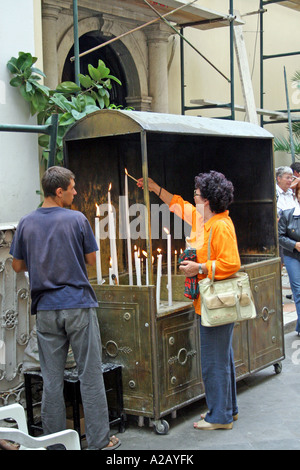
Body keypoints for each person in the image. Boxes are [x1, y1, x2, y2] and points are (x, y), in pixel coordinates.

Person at [10, 166, 120, 450]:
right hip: (78, 305)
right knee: (90, 374)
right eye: (72, 188)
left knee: (51, 380)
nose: (75, 192)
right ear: (59, 192)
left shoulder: (26, 222)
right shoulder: (77, 219)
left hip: (45, 309)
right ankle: (99, 441)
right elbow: (92, 259)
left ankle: (55, 444)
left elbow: (17, 265)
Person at [137, 171, 241, 430]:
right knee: (222, 358)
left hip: (215, 301)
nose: (193, 198)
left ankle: (220, 417)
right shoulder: (202, 219)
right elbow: (178, 205)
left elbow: (231, 263)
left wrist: (200, 268)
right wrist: (154, 188)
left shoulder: (219, 225)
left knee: (212, 362)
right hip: (208, 301)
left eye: (196, 194)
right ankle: (228, 410)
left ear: (206, 200)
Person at [278, 181, 300, 336]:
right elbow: (280, 237)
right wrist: (295, 244)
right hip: (293, 256)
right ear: (296, 195)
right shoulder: (287, 214)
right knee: (298, 291)